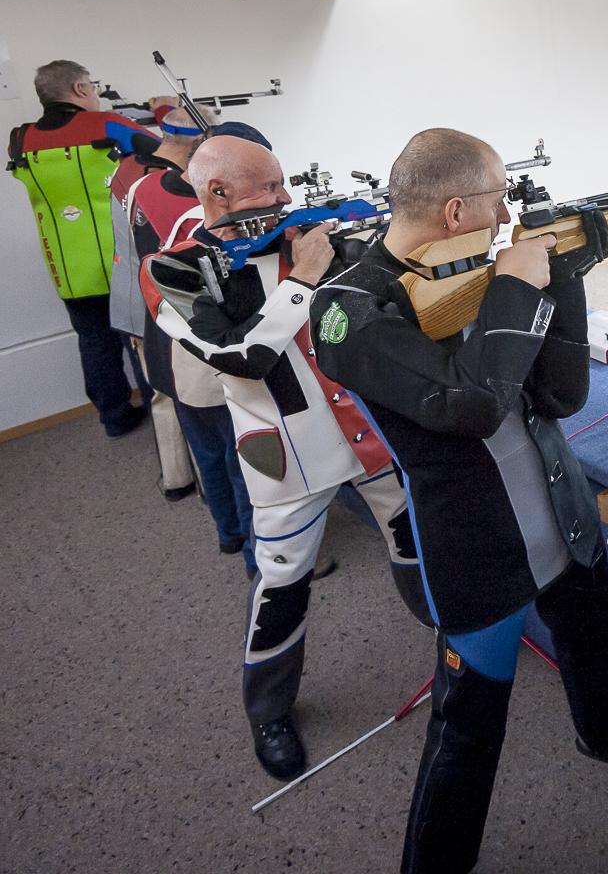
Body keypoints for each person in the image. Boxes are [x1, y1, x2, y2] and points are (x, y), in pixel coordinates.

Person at [309, 128, 608, 874]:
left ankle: (605, 742)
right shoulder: (348, 309)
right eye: (496, 201)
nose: (503, 213)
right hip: (479, 553)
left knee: (592, 652)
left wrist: (564, 271)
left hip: (565, 513)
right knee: (467, 733)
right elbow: (474, 403)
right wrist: (519, 284)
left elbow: (559, 392)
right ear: (456, 210)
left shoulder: (470, 265)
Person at [141, 134, 431, 780]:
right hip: (286, 460)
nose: (286, 198)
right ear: (217, 194)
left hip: (372, 433)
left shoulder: (305, 236)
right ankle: (268, 711)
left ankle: (452, 635)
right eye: (269, 189)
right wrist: (301, 278)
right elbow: (239, 358)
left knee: (417, 541)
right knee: (281, 587)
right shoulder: (174, 268)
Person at [118, 115, 260, 570]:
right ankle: (259, 557)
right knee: (245, 460)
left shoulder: (143, 188)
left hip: (164, 343)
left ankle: (228, 535)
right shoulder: (205, 226)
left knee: (209, 454)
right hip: (206, 359)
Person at [7, 60, 160, 437]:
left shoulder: (19, 138)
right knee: (143, 338)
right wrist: (160, 110)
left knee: (93, 341)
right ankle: (166, 418)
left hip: (65, 264)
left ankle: (116, 418)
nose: (95, 94)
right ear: (78, 90)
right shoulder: (106, 125)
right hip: (121, 258)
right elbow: (167, 154)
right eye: (91, 87)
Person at [105, 106, 203, 502]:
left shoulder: (126, 170)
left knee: (162, 395)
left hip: (130, 296)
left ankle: (178, 479)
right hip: (160, 304)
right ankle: (204, 484)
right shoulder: (164, 185)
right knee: (187, 395)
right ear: (197, 142)